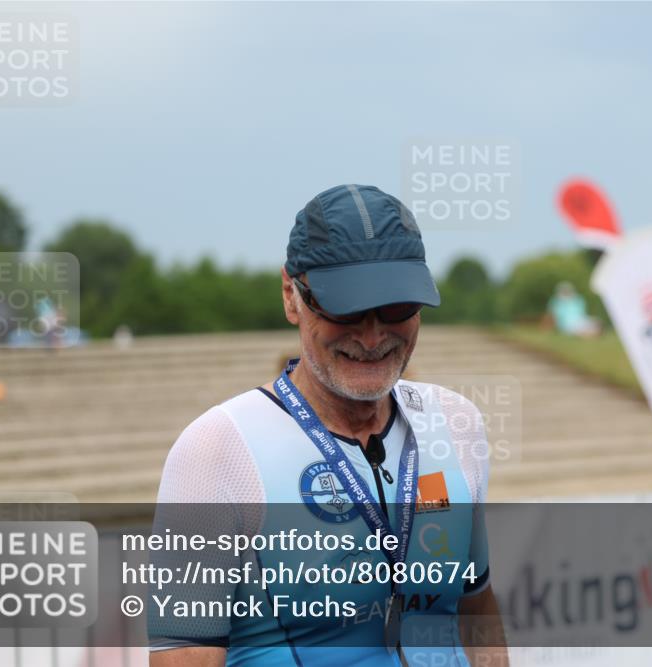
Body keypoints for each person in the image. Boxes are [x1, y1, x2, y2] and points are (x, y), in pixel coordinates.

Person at [151, 184, 507, 667]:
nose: (373, 333)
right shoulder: (216, 451)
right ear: (291, 296)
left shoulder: (456, 422)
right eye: (346, 307)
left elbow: (475, 611)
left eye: (398, 306)